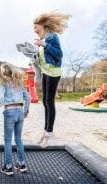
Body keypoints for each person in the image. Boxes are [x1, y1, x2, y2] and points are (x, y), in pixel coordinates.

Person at [33, 12, 70, 147]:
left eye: (36, 28)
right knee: (45, 100)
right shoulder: (42, 40)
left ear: (42, 26)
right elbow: (42, 59)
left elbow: (59, 55)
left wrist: (45, 45)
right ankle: (46, 130)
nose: (35, 31)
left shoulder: (52, 38)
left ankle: (50, 131)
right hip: (45, 72)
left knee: (49, 101)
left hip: (53, 72)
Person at [0, 63, 30, 176]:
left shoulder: (3, 83)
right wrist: (26, 111)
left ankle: (8, 167)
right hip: (20, 111)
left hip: (9, 111)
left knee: (8, 140)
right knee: (18, 138)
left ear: (2, 73)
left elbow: (0, 99)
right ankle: (21, 164)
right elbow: (28, 97)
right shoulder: (18, 83)